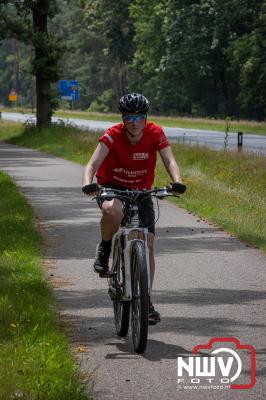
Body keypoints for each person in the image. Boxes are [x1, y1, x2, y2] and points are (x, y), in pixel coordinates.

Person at [82, 93, 185, 324]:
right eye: (130, 117)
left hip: (141, 190)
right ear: (123, 118)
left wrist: (176, 181)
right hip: (112, 187)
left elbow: (169, 160)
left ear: (146, 118)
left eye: (140, 117)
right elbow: (92, 164)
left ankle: (146, 300)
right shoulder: (112, 135)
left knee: (148, 243)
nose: (135, 122)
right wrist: (88, 183)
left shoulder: (155, 133)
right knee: (113, 212)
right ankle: (106, 247)